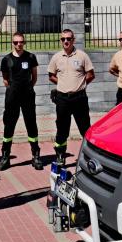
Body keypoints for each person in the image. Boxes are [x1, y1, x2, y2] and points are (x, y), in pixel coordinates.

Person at [48, 29, 94, 166]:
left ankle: (90, 155)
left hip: (79, 98)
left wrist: (80, 84)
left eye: (68, 39)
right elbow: (51, 76)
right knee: (62, 129)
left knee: (85, 128)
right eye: (63, 39)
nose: (66, 41)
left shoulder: (82, 56)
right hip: (62, 99)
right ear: (60, 41)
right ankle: (60, 155)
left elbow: (91, 74)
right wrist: (62, 83)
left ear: (73, 40)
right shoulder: (56, 57)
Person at [0, 33, 42, 171]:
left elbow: (34, 77)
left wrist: (27, 88)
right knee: (9, 125)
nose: (19, 44)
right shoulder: (6, 59)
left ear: (24, 42)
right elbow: (5, 79)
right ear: (12, 43)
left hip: (27, 96)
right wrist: (13, 89)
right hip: (12, 97)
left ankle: (36, 156)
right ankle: (5, 157)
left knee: (31, 124)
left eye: (21, 42)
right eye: (16, 42)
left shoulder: (31, 57)